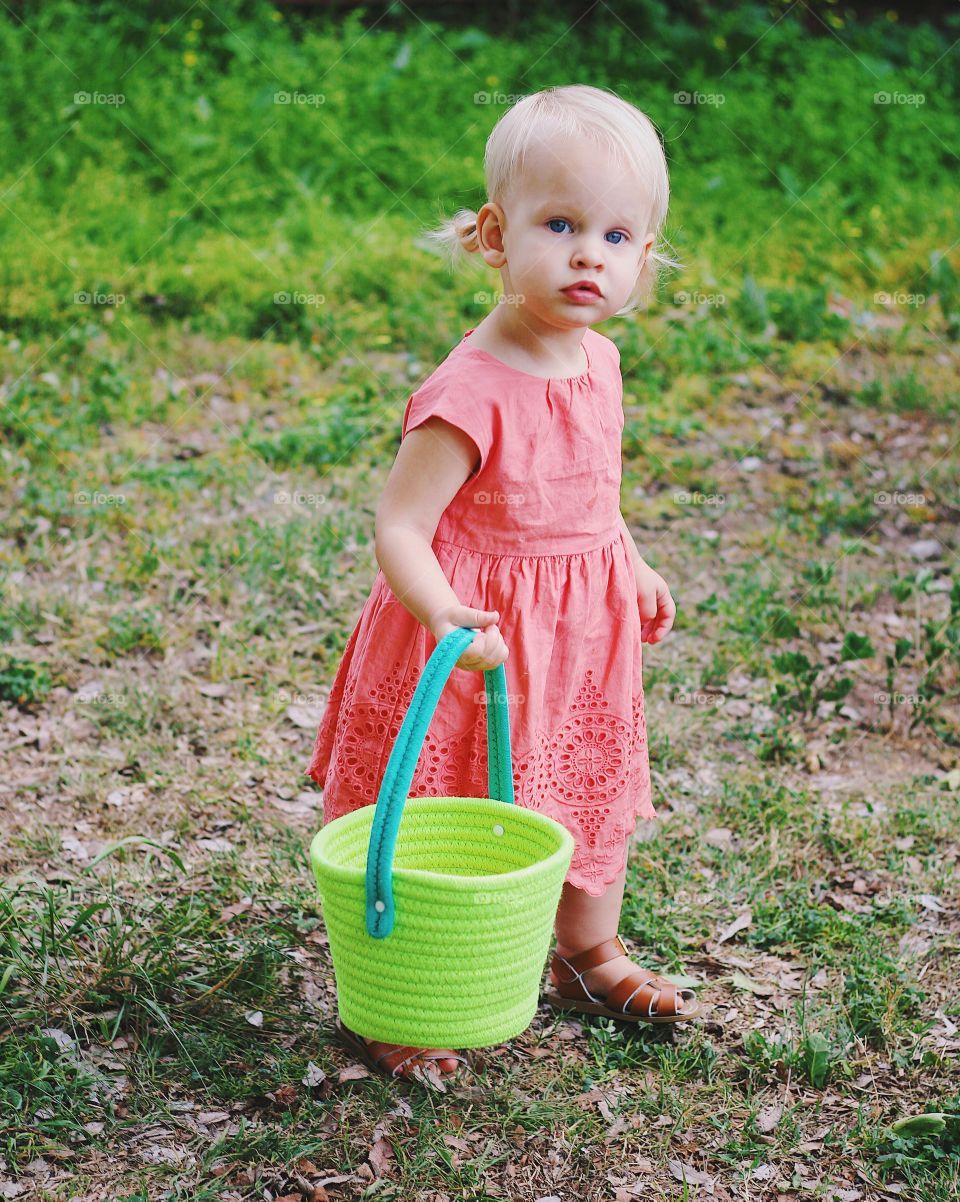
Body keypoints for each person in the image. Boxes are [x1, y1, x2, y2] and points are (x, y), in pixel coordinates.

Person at [304, 83, 704, 1084]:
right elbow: (401, 523)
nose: (588, 254)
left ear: (644, 258)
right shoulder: (468, 391)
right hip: (471, 638)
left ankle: (586, 950)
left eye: (616, 234)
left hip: (578, 636)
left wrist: (631, 555)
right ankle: (397, 996)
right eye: (560, 224)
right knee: (446, 804)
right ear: (495, 234)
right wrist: (442, 609)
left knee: (584, 789)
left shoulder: (598, 361)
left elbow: (587, 490)